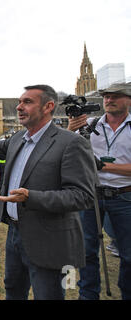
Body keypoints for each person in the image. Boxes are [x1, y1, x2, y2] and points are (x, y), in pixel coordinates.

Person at [0, 84, 96, 300]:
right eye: (19, 102)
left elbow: (82, 195)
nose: (19, 107)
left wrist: (31, 197)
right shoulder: (18, 138)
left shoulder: (71, 143)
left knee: (47, 294)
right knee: (13, 290)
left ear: (48, 106)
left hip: (49, 239)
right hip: (16, 234)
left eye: (27, 102)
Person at [67, 82, 131, 300]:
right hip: (91, 195)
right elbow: (66, 153)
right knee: (86, 251)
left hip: (125, 196)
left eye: (115, 96)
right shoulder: (90, 126)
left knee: (129, 253)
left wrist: (103, 166)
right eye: (106, 96)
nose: (109, 100)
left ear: (128, 99)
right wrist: (70, 130)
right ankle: (88, 295)